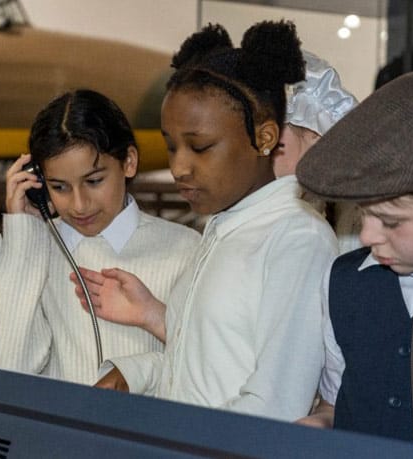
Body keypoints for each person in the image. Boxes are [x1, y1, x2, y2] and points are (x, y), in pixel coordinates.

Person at [72, 21, 338, 422]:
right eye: (171, 146)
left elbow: (275, 407)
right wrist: (136, 373)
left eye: (200, 148)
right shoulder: (223, 227)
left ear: (265, 138)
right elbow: (203, 371)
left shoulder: (297, 238)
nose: (179, 168)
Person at [0, 89, 200, 385]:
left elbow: (209, 368)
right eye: (59, 187)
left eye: (94, 181)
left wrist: (139, 372)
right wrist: (23, 235)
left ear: (129, 161)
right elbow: (5, 371)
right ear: (38, 182)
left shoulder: (186, 249)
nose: (79, 205)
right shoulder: (31, 250)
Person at [295, 69, 413, 443]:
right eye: (362, 214)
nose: (369, 235)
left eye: (392, 222)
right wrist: (322, 425)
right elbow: (337, 401)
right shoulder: (344, 280)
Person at [272, 50, 361, 254]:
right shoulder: (278, 204)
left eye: (278, 146)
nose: (265, 157)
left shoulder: (356, 221)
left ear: (315, 136)